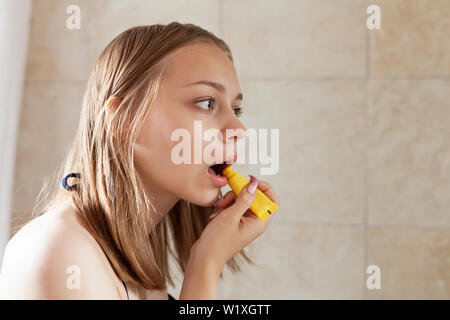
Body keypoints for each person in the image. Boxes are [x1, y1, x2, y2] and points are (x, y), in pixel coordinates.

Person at [0, 22, 280, 300]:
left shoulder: (135, 263)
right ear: (124, 120)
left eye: (236, 109)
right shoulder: (61, 253)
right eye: (207, 103)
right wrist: (205, 265)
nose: (238, 130)